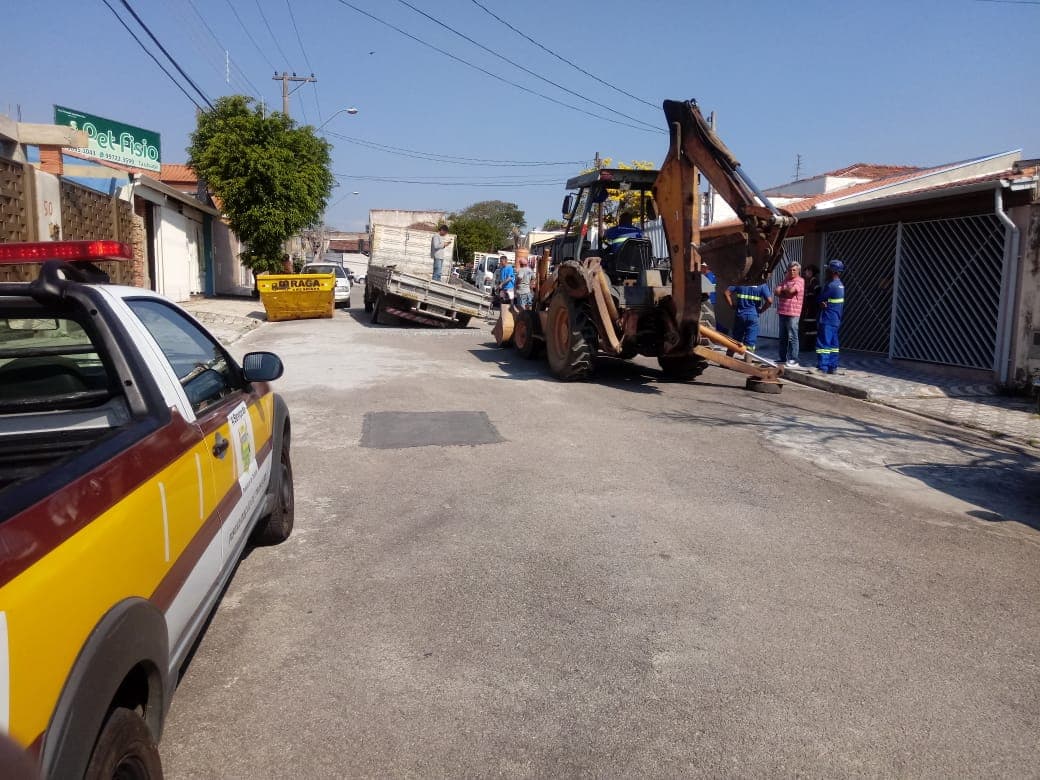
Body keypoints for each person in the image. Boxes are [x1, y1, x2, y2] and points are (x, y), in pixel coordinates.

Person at [724, 280, 772, 352]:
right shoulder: (762, 285)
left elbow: (726, 293)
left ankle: (727, 359)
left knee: (735, 340)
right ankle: (747, 361)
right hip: (753, 316)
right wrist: (761, 310)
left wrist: (731, 305)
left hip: (740, 315)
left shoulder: (740, 282)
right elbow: (770, 301)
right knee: (750, 343)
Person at [816, 259, 846, 374]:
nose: (826, 271)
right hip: (836, 319)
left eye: (828, 269)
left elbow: (819, 298)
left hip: (827, 319)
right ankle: (832, 367)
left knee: (823, 343)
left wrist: (820, 301)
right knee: (834, 344)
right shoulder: (840, 285)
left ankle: (822, 367)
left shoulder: (831, 285)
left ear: (833, 271)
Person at [773, 261, 804, 366]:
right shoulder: (785, 280)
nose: (791, 272)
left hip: (793, 313)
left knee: (792, 336)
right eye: (790, 269)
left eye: (794, 270)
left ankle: (794, 359)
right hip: (782, 311)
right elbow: (776, 291)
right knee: (783, 336)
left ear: (798, 271)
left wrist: (784, 290)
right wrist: (785, 290)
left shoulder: (800, 281)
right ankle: (782, 358)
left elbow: (791, 291)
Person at [799, 264, 821, 352]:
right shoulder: (810, 283)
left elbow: (815, 297)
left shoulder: (814, 283)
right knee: (809, 328)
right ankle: (808, 346)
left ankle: (809, 347)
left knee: (810, 328)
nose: (805, 272)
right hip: (809, 309)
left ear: (812, 272)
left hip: (811, 310)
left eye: (807, 271)